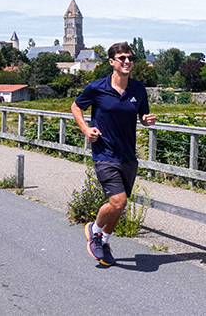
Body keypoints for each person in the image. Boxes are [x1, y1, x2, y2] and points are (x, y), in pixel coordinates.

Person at [71, 42, 156, 266]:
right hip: (104, 154)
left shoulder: (138, 89)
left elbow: (143, 116)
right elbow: (75, 106)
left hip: (128, 156)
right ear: (112, 62)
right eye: (122, 58)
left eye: (130, 58)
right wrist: (86, 129)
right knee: (117, 202)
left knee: (121, 205)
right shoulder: (96, 88)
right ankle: (94, 229)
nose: (127, 62)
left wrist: (147, 120)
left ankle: (105, 241)